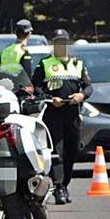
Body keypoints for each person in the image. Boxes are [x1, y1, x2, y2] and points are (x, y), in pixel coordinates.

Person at [32, 30, 92, 205]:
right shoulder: (44, 64)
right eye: (58, 42)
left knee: (72, 151)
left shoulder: (77, 63)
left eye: (64, 42)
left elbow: (88, 87)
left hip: (72, 114)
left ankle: (65, 184)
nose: (61, 45)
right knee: (56, 152)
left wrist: (81, 96)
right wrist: (51, 99)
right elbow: (36, 88)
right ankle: (58, 187)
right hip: (53, 113)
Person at [0, 19, 36, 87]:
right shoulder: (24, 52)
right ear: (29, 34)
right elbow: (27, 77)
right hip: (19, 90)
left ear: (16, 33)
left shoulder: (5, 50)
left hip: (6, 89)